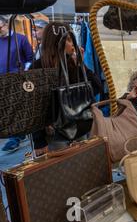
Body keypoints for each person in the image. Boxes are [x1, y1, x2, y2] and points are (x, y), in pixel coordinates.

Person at [31, 22, 102, 156]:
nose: (73, 44)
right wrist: (39, 141)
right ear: (58, 42)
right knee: (61, 170)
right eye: (69, 40)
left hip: (79, 126)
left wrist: (82, 66)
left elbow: (97, 88)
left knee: (82, 164)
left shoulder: (73, 63)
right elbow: (35, 107)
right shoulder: (38, 68)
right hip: (54, 133)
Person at [0, 15, 33, 152]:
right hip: (2, 81)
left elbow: (30, 58)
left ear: (6, 24)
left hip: (17, 80)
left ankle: (15, 138)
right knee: (6, 109)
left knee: (15, 108)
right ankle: (17, 134)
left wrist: (24, 72)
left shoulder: (21, 39)